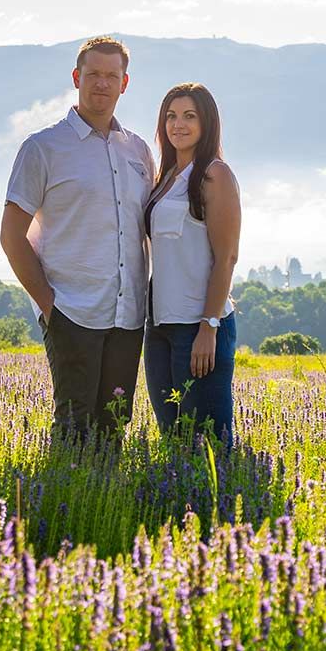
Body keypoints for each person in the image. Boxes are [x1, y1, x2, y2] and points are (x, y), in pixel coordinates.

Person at [0, 36, 154, 441]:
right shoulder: (43, 148)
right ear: (76, 78)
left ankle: (109, 502)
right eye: (93, 74)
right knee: (73, 427)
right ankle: (58, 502)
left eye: (111, 75)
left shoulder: (138, 151)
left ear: (124, 83)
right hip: (72, 311)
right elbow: (11, 235)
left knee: (114, 426)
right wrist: (50, 306)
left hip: (128, 315)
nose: (101, 83)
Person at [143, 83, 241, 447]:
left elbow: (226, 257)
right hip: (160, 328)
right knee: (173, 440)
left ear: (206, 123)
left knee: (209, 445)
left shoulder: (215, 175)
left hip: (199, 327)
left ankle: (222, 504)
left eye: (189, 116)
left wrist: (209, 326)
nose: (177, 125)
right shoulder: (166, 178)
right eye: (170, 116)